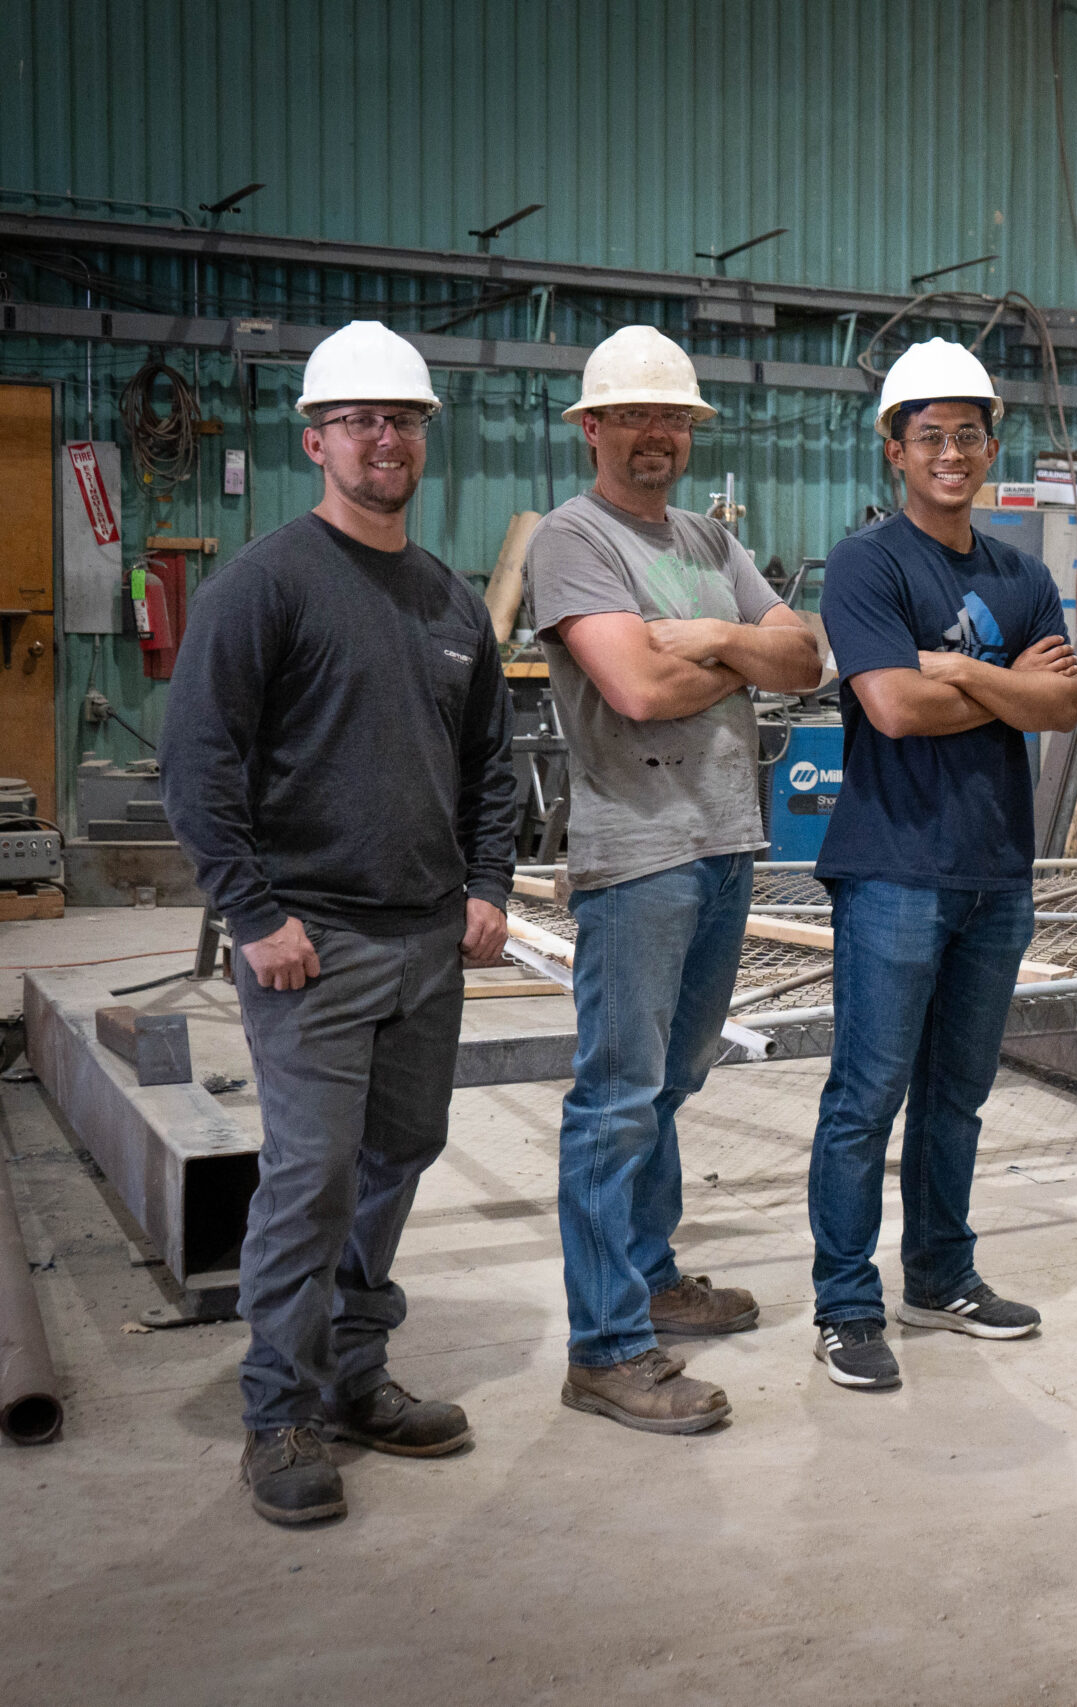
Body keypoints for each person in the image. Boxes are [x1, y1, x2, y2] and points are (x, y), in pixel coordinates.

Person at [164, 321, 515, 1525]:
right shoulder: (264, 585)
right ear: (313, 439)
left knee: (395, 1163)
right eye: (361, 419)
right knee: (310, 1180)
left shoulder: (449, 599)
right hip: (311, 945)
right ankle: (280, 1414)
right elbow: (197, 766)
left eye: (405, 420)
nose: (385, 439)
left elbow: (488, 767)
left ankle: (357, 1374)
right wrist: (252, 912)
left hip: (427, 941)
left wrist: (489, 886)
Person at [529, 325, 824, 1434]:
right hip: (637, 854)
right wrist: (730, 655)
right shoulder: (573, 539)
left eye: (674, 420)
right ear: (592, 428)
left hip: (722, 840)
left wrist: (700, 636)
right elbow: (638, 693)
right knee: (613, 1102)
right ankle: (605, 1350)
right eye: (635, 418)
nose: (656, 436)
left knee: (669, 1086)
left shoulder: (704, 538)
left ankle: (649, 1277)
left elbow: (804, 659)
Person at [805, 339, 1077, 1393]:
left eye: (970, 434)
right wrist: (998, 679)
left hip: (995, 871)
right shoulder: (867, 563)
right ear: (895, 449)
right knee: (866, 1096)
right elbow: (890, 707)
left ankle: (941, 1275)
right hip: (892, 869)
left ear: (991, 443)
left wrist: (953, 668)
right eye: (931, 436)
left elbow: (1060, 705)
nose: (953, 453)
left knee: (956, 1096)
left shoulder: (1022, 572)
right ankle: (844, 1304)